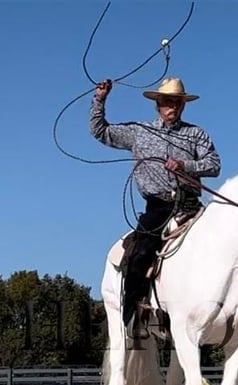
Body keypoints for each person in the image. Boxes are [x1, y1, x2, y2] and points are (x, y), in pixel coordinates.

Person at [90, 76, 221, 331]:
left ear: (183, 106)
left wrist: (186, 165)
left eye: (177, 103)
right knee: (141, 252)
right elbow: (101, 131)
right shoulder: (139, 132)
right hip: (158, 207)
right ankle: (134, 314)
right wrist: (100, 100)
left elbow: (214, 165)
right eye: (168, 102)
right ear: (158, 104)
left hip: (191, 205)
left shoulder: (196, 134)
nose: (173, 107)